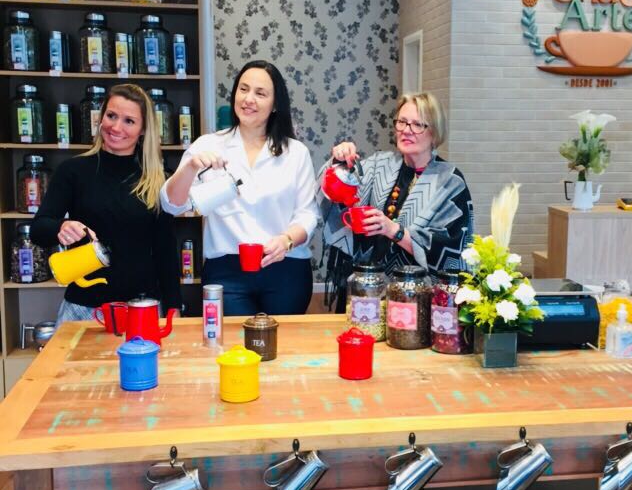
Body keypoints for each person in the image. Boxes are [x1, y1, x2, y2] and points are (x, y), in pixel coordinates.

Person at [161, 60, 319, 316]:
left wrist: (287, 240)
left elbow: (308, 214)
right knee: (233, 340)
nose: (248, 99)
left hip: (285, 266)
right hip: (226, 270)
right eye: (243, 89)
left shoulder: (295, 152)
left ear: (275, 104)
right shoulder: (208, 145)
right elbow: (171, 205)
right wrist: (189, 167)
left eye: (260, 93)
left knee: (283, 340)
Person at [30, 83, 181, 324]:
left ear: (143, 129)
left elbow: (166, 250)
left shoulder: (157, 180)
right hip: (84, 307)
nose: (116, 127)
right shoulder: (73, 171)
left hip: (142, 308)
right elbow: (38, 230)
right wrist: (61, 226)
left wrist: (174, 307)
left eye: (129, 121)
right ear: (101, 118)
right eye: (111, 116)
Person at [320, 91, 474, 311]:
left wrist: (394, 230)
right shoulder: (378, 165)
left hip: (418, 296)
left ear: (434, 132)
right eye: (402, 122)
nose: (406, 130)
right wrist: (340, 163)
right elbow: (335, 194)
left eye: (417, 124)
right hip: (367, 286)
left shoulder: (449, 181)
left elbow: (451, 249)